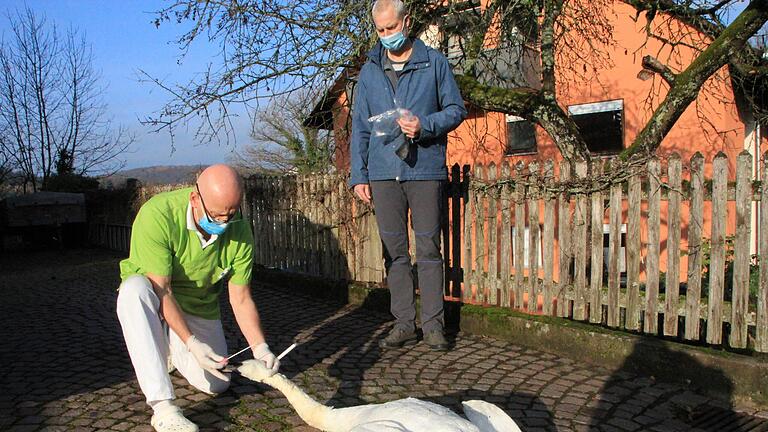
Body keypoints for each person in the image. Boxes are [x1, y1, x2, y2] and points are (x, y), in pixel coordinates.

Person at [116, 164, 278, 432]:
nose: (224, 223)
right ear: (195, 199)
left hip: (197, 304)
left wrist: (260, 347)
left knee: (218, 383)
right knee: (133, 292)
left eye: (232, 214)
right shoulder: (157, 214)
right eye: (216, 215)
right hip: (156, 296)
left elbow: (240, 298)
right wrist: (192, 343)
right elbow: (162, 289)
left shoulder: (240, 230)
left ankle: (173, 345)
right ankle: (163, 407)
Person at [349, 0, 467, 351]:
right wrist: (360, 175)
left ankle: (433, 326)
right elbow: (360, 127)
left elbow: (456, 110)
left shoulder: (435, 63)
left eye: (391, 28)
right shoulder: (369, 71)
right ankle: (403, 323)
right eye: (380, 30)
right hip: (383, 173)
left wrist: (425, 125)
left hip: (425, 169)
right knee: (394, 252)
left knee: (429, 250)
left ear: (407, 21)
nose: (386, 35)